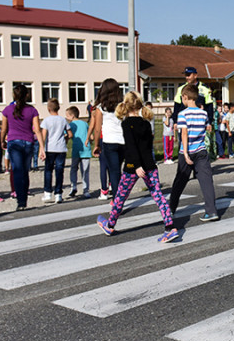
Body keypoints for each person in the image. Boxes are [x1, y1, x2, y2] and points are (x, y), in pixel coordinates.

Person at [96, 92, 179, 243]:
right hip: (150, 165)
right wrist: (144, 164)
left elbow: (131, 146)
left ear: (126, 106)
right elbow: (147, 147)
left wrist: (136, 165)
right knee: (158, 195)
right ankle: (170, 227)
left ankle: (110, 225)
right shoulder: (146, 123)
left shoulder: (126, 124)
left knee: (120, 196)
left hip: (133, 166)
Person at [168, 83, 218, 221]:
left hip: (187, 151)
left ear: (184, 97)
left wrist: (184, 154)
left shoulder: (182, 114)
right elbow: (207, 129)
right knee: (206, 180)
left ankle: (171, 208)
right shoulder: (203, 114)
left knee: (180, 180)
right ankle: (211, 211)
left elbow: (184, 133)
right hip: (201, 150)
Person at [1, 84, 45, 211]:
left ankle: (20, 201)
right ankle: (23, 200)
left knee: (17, 171)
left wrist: (2, 141)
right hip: (28, 143)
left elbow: (4, 129)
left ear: (13, 95)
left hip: (13, 142)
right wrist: (42, 147)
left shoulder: (7, 110)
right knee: (25, 172)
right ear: (27, 95)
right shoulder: (32, 110)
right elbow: (37, 129)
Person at [90, 79, 125, 200]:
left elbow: (97, 129)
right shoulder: (122, 105)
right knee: (118, 170)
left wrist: (96, 145)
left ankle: (117, 200)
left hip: (109, 141)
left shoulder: (101, 108)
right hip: (122, 141)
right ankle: (120, 195)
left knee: (113, 171)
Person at [173, 66, 215, 155]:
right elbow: (176, 106)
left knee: (200, 143)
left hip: (199, 122)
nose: (187, 77)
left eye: (189, 75)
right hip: (185, 120)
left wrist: (209, 122)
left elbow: (209, 107)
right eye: (185, 75)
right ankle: (185, 158)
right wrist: (175, 121)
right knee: (184, 141)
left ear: (195, 75)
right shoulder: (181, 88)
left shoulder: (204, 88)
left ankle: (200, 163)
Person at [41, 98, 69, 204]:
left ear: (48, 109)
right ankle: (58, 194)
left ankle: (47, 193)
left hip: (50, 148)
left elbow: (43, 136)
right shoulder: (63, 120)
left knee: (48, 170)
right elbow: (70, 134)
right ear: (59, 108)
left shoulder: (46, 120)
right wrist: (65, 139)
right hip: (61, 148)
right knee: (59, 171)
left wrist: (41, 149)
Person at [66, 106, 91, 199]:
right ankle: (86, 189)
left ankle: (74, 187)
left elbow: (68, 135)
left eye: (67, 116)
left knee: (73, 169)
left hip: (76, 150)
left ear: (72, 116)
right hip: (86, 149)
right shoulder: (85, 123)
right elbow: (89, 134)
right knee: (85, 171)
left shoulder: (71, 125)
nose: (67, 118)